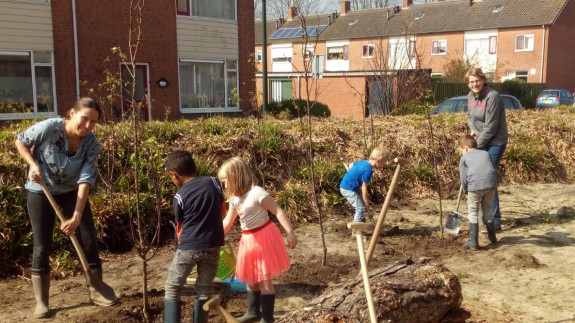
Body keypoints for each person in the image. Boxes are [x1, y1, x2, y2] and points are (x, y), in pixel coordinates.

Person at [15, 97, 117, 319]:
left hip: (72, 193)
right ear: (72, 113)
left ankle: (95, 291)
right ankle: (41, 302)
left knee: (88, 240)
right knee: (42, 245)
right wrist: (33, 165)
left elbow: (86, 179)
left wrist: (77, 215)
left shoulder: (91, 143)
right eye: (85, 119)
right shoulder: (50, 127)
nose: (88, 126)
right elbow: (21, 141)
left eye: (94, 122)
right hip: (41, 191)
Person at [217, 157, 297, 323]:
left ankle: (268, 318)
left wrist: (290, 232)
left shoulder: (257, 193)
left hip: (264, 237)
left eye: (225, 181)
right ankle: (253, 312)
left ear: (236, 177)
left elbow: (278, 211)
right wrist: (214, 237)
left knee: (264, 279)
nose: (224, 186)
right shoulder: (234, 200)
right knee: (250, 277)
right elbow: (228, 222)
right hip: (248, 240)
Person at [163, 150, 225, 323]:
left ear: (173, 175)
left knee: (173, 288)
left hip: (189, 247)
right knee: (204, 288)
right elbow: (222, 211)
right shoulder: (213, 182)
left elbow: (180, 230)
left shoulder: (179, 196)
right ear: (195, 168)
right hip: (213, 245)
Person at [466, 68, 508, 231]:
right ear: (468, 83)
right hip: (481, 139)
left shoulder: (493, 97)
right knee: (483, 176)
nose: (474, 84)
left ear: (483, 80)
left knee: (488, 175)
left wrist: (476, 146)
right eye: (471, 82)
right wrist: (473, 132)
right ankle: (487, 216)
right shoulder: (471, 97)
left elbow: (491, 127)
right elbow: (470, 117)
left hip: (496, 141)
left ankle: (494, 219)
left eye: (477, 81)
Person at [458, 135, 498, 250]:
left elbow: (463, 177)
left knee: (473, 212)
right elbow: (493, 169)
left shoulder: (464, 158)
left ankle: (474, 243)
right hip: (491, 184)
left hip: (475, 186)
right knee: (487, 209)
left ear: (465, 148)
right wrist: (494, 185)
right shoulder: (486, 153)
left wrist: (466, 190)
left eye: (461, 151)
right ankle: (493, 239)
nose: (462, 153)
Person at [339, 147, 392, 223]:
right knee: (360, 207)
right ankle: (356, 230)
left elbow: (351, 165)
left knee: (360, 207)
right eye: (383, 163)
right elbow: (364, 188)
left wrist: (353, 174)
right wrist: (366, 202)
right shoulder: (368, 170)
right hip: (348, 188)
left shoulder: (364, 162)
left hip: (350, 187)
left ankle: (361, 221)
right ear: (378, 160)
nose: (382, 165)